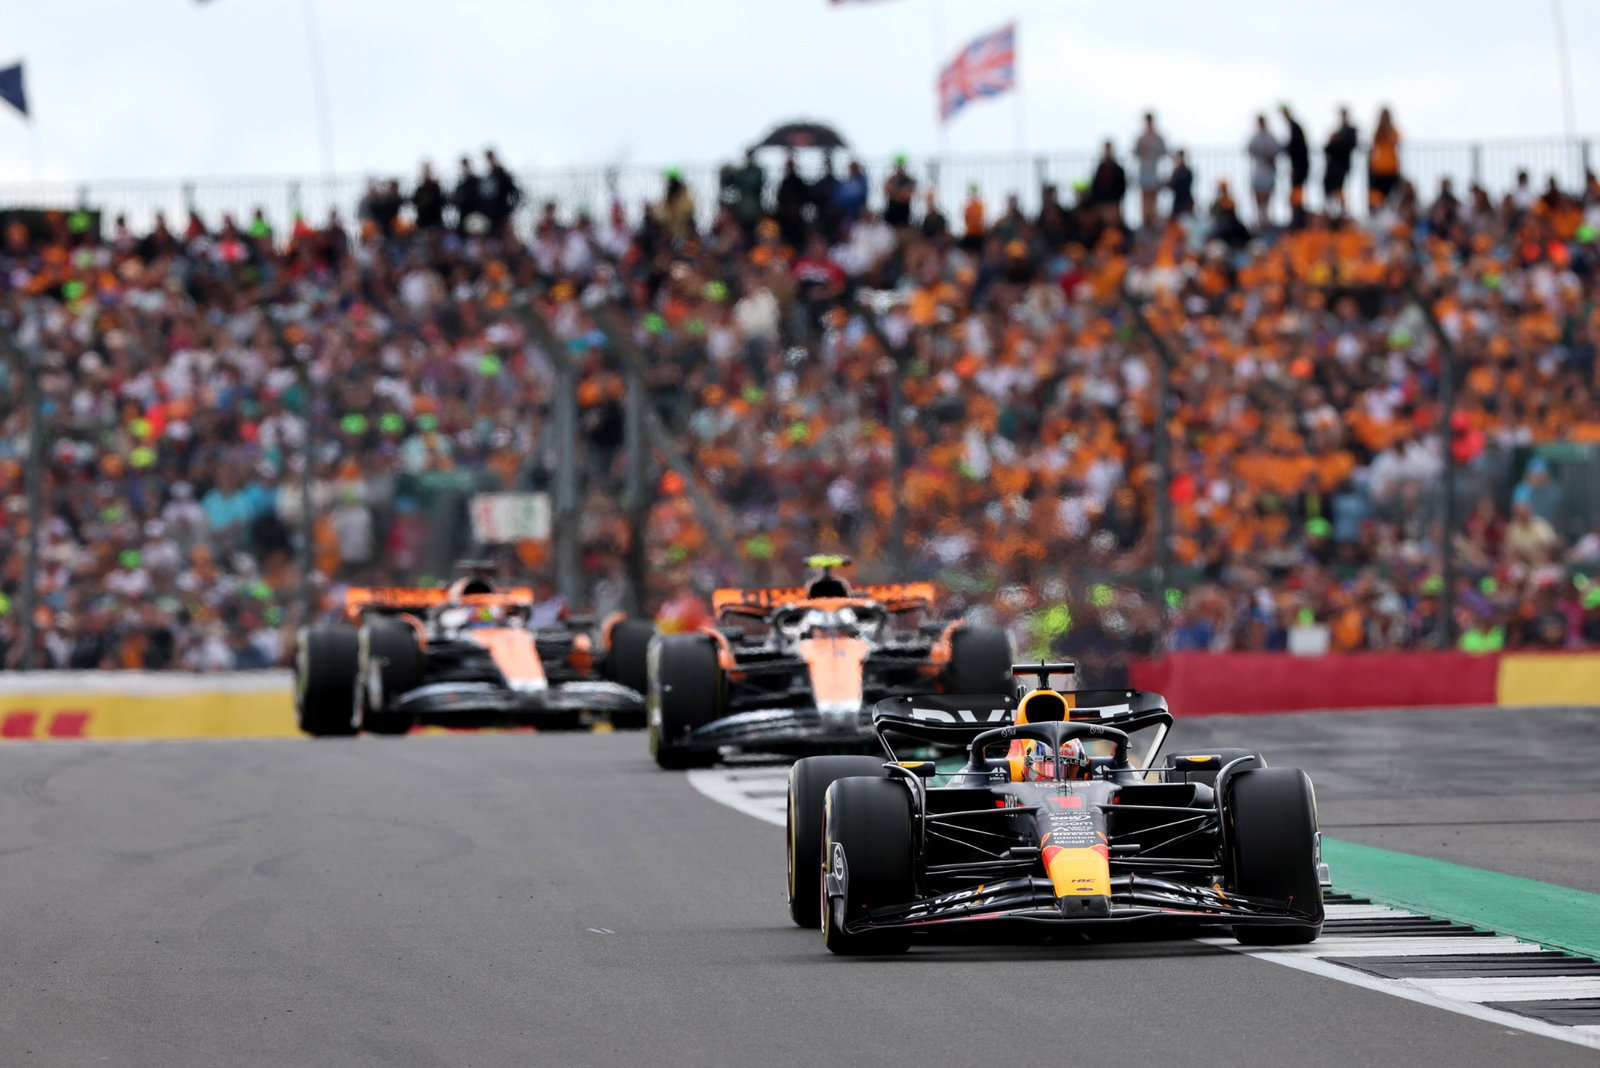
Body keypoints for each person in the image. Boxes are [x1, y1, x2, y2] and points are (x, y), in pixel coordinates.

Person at [1133, 112, 1168, 230]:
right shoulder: (1141, 138)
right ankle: (1145, 222)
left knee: (1153, 198)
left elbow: (1164, 151)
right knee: (1144, 197)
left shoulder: (1158, 138)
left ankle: (1152, 221)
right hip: (1143, 171)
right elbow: (1135, 152)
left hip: (1154, 171)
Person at [1247, 113, 1281, 231]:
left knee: (1267, 199)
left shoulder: (1270, 137)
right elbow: (1250, 150)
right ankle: (1260, 220)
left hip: (1268, 172)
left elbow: (1275, 152)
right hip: (1258, 171)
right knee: (1258, 199)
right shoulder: (1255, 137)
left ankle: (1266, 220)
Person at [1323, 107, 1358, 215]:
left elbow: (1348, 146)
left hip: (1341, 166)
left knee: (1340, 190)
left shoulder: (1350, 131)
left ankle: (1341, 213)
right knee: (1329, 189)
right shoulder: (1338, 132)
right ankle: (1331, 212)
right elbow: (1327, 148)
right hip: (1332, 166)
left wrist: (1336, 142)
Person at [479, 149, 522, 236]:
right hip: (488, 219)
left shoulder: (503, 175)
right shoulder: (486, 177)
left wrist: (508, 210)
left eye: (491, 158)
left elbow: (516, 193)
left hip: (501, 218)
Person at [1280, 104, 1310, 228]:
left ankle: (1299, 221)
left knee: (1297, 192)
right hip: (1300, 165)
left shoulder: (1294, 127)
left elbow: (1295, 148)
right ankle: (1297, 219)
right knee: (1296, 192)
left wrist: (1295, 168)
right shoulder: (1294, 126)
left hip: (1299, 166)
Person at [1368, 107, 1401, 213]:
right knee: (1377, 196)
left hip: (1391, 168)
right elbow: (1373, 145)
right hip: (1378, 169)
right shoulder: (1377, 132)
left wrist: (1387, 130)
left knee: (1392, 197)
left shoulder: (1394, 131)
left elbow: (1395, 142)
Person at [883, 155, 917, 229]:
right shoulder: (891, 179)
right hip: (892, 211)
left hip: (903, 212)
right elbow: (887, 190)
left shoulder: (909, 180)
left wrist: (896, 193)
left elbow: (907, 195)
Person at [411, 161, 445, 231]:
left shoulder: (435, 187)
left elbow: (439, 201)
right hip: (423, 221)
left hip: (434, 221)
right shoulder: (420, 188)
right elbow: (415, 202)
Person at [452, 155, 480, 234]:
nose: (465, 168)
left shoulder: (477, 181)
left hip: (476, 217)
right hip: (464, 219)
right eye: (463, 166)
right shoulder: (460, 184)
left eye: (466, 165)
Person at [1167, 149, 1194, 218]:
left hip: (1186, 200)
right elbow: (1171, 186)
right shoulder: (1176, 172)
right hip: (1177, 201)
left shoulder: (1188, 172)